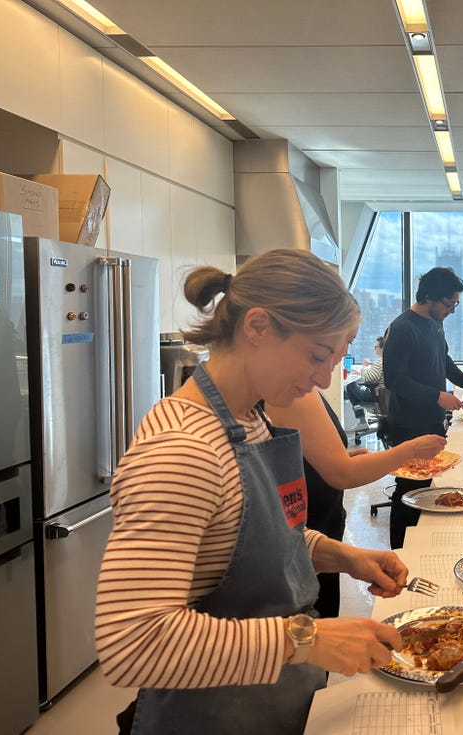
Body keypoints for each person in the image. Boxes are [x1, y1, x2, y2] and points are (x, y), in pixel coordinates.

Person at [96, 250, 406, 735]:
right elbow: (131, 644)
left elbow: (253, 544)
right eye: (317, 355)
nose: (324, 379)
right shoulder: (184, 450)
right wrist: (307, 638)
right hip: (209, 715)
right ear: (257, 327)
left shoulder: (250, 421)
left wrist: (342, 556)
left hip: (272, 700)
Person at [265, 386, 445, 618]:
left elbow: (302, 458)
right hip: (312, 520)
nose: (324, 374)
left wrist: (343, 457)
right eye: (319, 355)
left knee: (325, 610)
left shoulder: (302, 387)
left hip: (317, 530)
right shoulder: (291, 392)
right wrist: (412, 449)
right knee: (316, 617)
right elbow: (344, 475)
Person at [382, 266, 463, 548]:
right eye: (449, 303)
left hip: (430, 420)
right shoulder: (402, 328)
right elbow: (394, 380)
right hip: (407, 425)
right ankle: (401, 552)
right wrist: (436, 396)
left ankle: (422, 545)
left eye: (455, 304)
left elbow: (444, 359)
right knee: (409, 491)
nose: (452, 310)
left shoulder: (435, 324)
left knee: (428, 488)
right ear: (429, 296)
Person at [344, 335, 384, 406]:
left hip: (375, 394)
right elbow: (374, 375)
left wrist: (364, 366)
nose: (374, 349)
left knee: (350, 386)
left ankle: (359, 410)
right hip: (381, 393)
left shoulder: (381, 361)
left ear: (382, 348)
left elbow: (368, 379)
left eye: (376, 347)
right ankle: (359, 409)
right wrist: (360, 373)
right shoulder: (385, 360)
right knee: (351, 390)